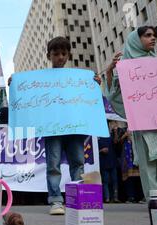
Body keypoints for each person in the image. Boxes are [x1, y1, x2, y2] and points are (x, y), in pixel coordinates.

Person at [106, 26, 157, 212]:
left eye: (155, 36)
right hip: (144, 122)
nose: (153, 39)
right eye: (148, 35)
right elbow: (114, 95)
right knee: (149, 161)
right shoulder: (126, 65)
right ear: (136, 39)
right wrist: (111, 70)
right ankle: (156, 199)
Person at [40, 37, 100, 215]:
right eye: (56, 54)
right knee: (53, 164)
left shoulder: (79, 78)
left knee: (78, 162)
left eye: (63, 54)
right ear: (49, 55)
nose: (60, 57)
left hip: (75, 127)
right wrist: (16, 85)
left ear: (68, 55)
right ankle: (56, 201)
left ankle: (79, 199)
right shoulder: (40, 79)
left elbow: (89, 98)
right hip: (52, 128)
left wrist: (94, 85)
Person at [98, 133, 119, 203]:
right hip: (103, 162)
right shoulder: (98, 137)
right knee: (105, 181)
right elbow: (93, 151)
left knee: (114, 180)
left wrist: (115, 130)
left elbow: (116, 142)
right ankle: (107, 198)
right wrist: (101, 150)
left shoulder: (111, 135)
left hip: (112, 160)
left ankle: (115, 197)